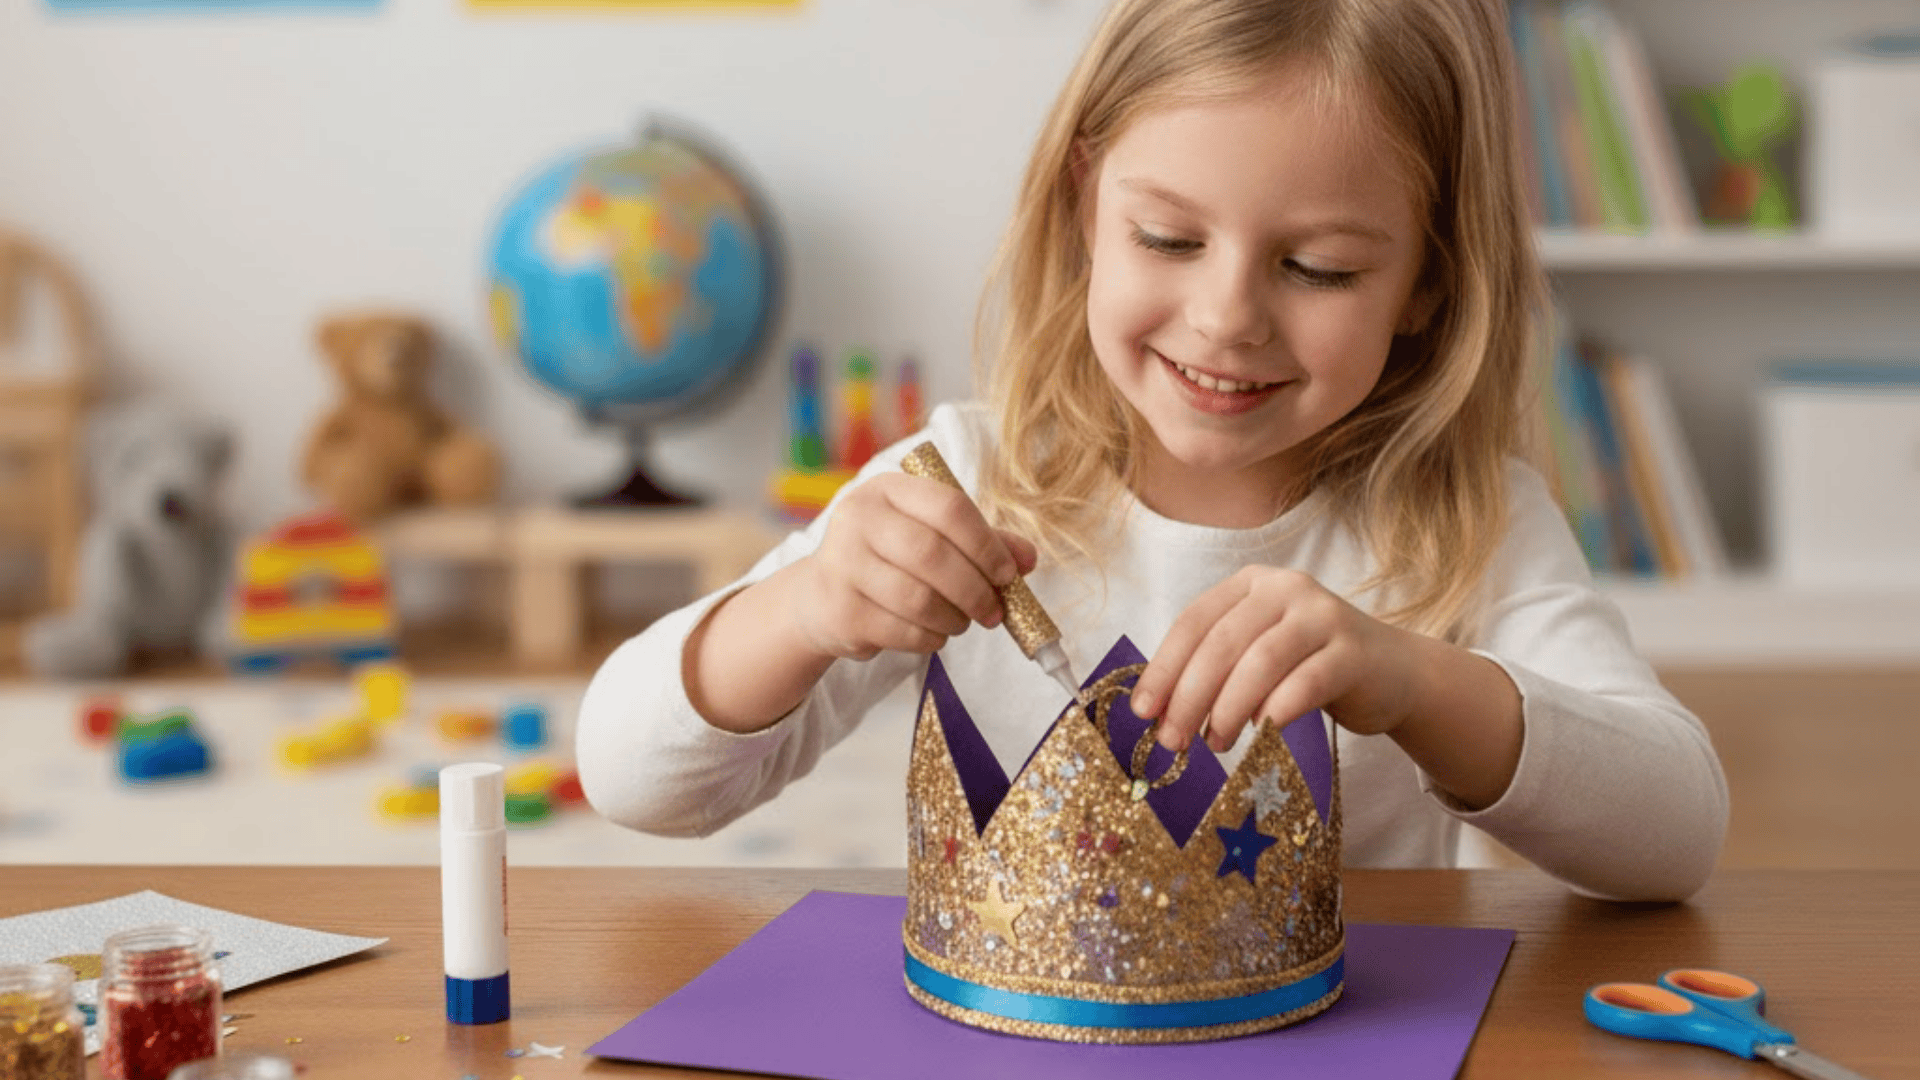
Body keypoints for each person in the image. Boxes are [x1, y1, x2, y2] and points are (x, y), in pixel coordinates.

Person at [575, 0, 1727, 902]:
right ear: (1087, 204)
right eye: (1168, 237)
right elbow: (633, 782)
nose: (1227, 317)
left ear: (1427, 278)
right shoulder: (969, 487)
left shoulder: (1472, 530)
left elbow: (1675, 836)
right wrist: (808, 611)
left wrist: (1412, 680)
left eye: (1319, 267)